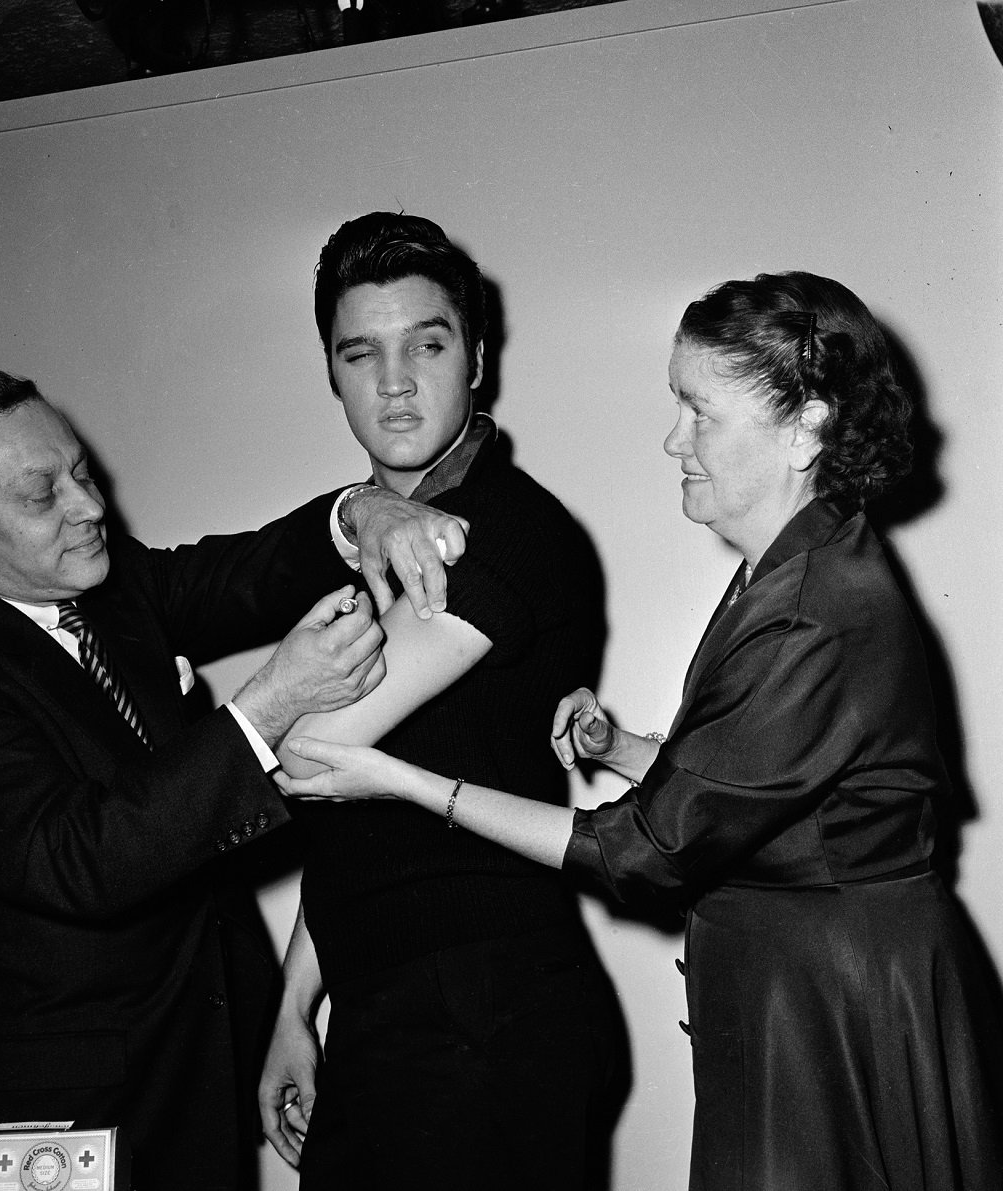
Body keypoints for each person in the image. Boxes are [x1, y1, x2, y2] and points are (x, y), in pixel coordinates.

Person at [279, 272, 1003, 1190]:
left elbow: (646, 852)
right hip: (801, 988)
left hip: (836, 1006)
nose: (674, 440)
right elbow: (767, 795)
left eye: (700, 412)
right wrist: (622, 749)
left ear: (806, 427)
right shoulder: (789, 566)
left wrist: (404, 779)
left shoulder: (814, 605)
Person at [0, 367, 465, 1191]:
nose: (89, 507)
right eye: (44, 494)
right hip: (62, 1112)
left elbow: (247, 571)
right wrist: (272, 702)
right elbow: (84, 856)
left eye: (83, 472)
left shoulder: (116, 590)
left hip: (198, 1072)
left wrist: (363, 508)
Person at [257, 213, 625, 1190]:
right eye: (359, 352)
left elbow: (309, 755)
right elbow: (343, 819)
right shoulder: (368, 556)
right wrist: (296, 1007)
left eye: (427, 343)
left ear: (477, 357)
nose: (394, 381)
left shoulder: (510, 529)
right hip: (388, 1005)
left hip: (488, 1007)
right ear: (332, 373)